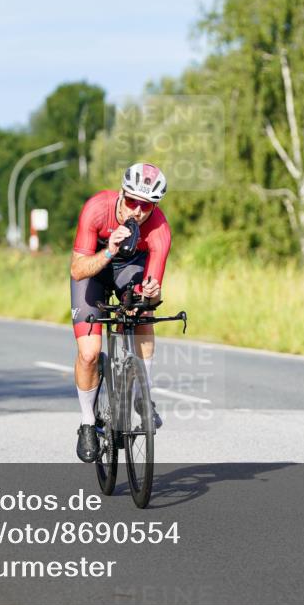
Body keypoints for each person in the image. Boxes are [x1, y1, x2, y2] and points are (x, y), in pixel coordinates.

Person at [69, 162, 171, 462]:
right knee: (89, 353)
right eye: (131, 202)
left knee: (143, 313)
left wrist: (152, 294)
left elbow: (153, 287)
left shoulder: (160, 229)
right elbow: (77, 270)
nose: (137, 211)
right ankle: (88, 422)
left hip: (131, 268)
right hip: (93, 269)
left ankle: (143, 397)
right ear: (121, 193)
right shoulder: (97, 208)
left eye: (147, 206)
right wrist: (110, 250)